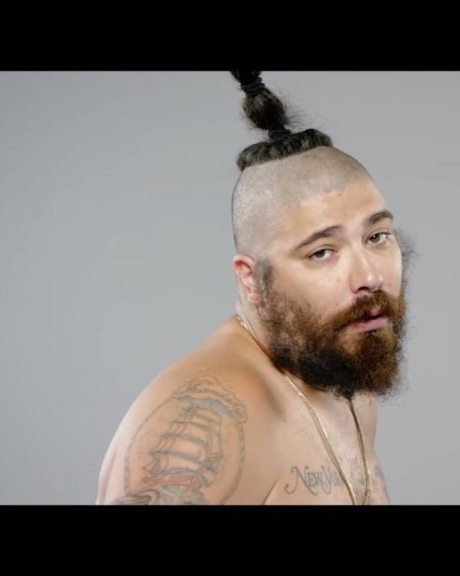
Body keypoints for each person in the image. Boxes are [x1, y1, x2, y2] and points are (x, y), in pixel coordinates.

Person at [96, 71, 413, 505]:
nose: (369, 277)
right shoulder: (211, 421)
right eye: (322, 252)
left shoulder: (344, 382)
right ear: (250, 278)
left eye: (377, 237)